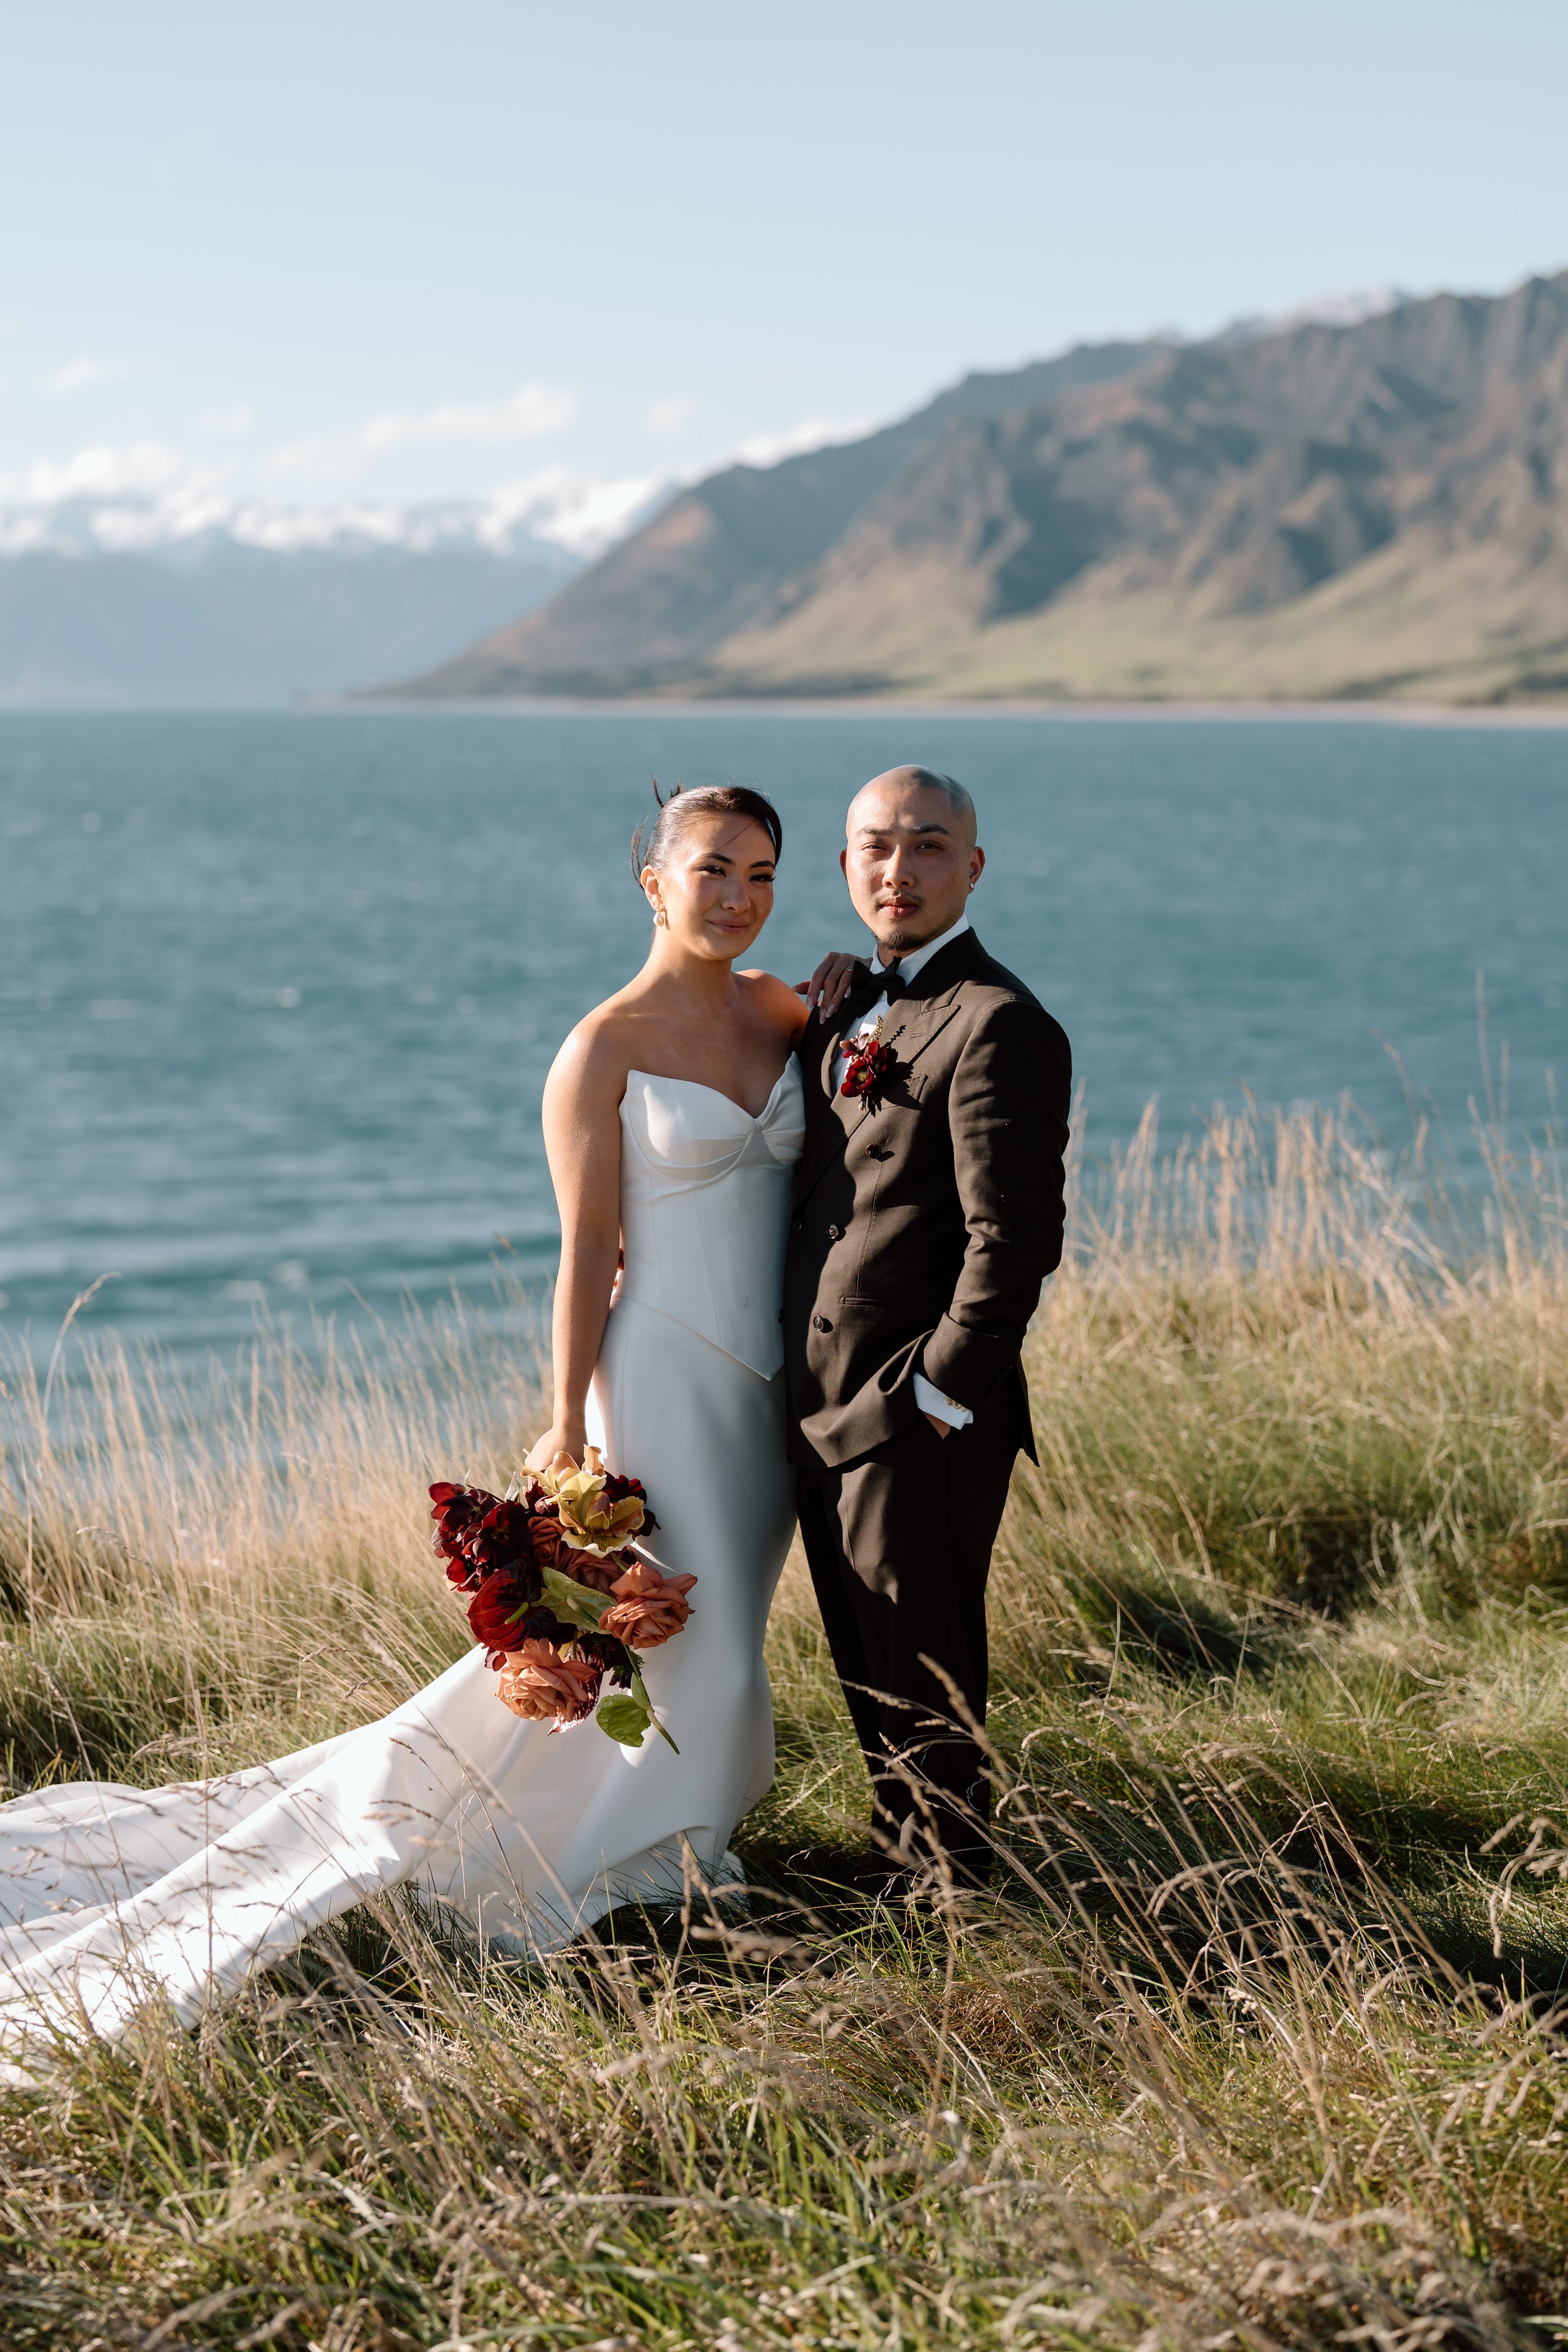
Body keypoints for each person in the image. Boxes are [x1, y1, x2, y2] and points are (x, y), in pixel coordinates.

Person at [0, 783, 853, 2066]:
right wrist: (564, 1422)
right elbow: (585, 1254)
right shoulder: (600, 1047)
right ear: (652, 882)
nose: (737, 897)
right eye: (713, 870)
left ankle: (637, 1823)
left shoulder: (784, 1010)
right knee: (695, 1637)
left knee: (691, 1638)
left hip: (767, 1389)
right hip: (663, 1371)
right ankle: (644, 1869)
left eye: (763, 874)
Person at [785, 766, 1071, 1888]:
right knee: (868, 1669)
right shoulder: (856, 998)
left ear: (974, 866)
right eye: (873, 846)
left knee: (927, 1677)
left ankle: (957, 1914)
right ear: (846, 861)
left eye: (927, 846)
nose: (897, 869)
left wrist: (936, 1398)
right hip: (818, 1404)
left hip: (913, 1410)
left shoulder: (1000, 1022)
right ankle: (898, 1878)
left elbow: (1014, 1244)